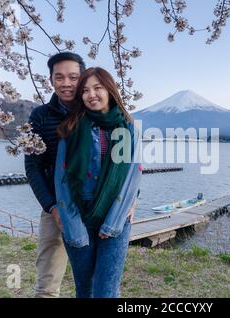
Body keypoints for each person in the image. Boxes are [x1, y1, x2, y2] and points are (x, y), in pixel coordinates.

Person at [55, 67, 141, 298]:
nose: (91, 94)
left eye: (97, 88)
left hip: (115, 215)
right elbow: (62, 181)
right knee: (85, 288)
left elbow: (130, 176)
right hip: (78, 215)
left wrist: (113, 222)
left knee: (106, 290)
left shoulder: (126, 128)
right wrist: (73, 227)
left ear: (109, 90)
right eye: (85, 90)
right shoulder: (71, 128)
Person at [25, 52, 86, 298]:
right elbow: (33, 166)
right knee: (47, 282)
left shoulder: (95, 109)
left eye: (73, 77)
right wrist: (52, 207)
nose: (66, 83)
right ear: (51, 81)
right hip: (55, 205)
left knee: (93, 278)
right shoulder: (40, 116)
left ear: (82, 78)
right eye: (59, 77)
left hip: (91, 204)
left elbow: (122, 160)